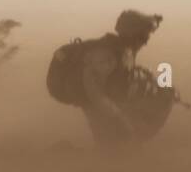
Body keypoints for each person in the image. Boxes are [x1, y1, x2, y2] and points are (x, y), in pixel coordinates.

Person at [48, 9, 163, 144]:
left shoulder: (122, 51)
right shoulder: (105, 55)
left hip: (100, 101)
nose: (146, 42)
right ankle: (66, 157)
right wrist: (118, 117)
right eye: (143, 36)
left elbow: (121, 73)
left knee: (113, 143)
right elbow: (94, 92)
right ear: (131, 34)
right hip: (94, 101)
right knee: (113, 146)